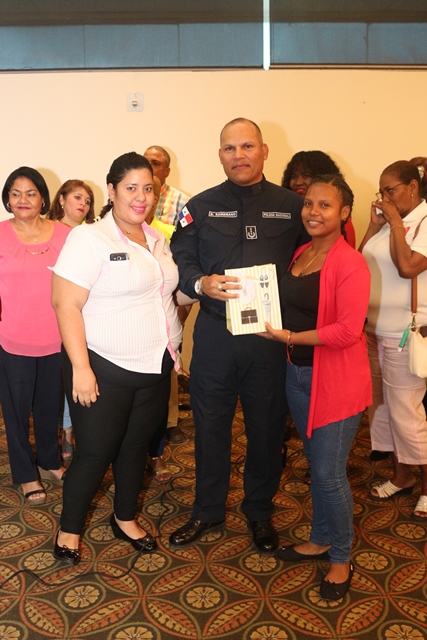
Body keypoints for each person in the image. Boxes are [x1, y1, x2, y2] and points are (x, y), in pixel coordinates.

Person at [169, 117, 305, 553]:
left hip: (269, 340)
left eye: (247, 146)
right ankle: (207, 510)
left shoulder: (292, 206)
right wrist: (200, 283)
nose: (239, 155)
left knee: (266, 429)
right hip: (216, 336)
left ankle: (259, 512)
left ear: (264, 151)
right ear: (220, 155)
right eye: (230, 148)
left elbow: (314, 259)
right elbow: (182, 258)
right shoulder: (200, 206)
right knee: (210, 427)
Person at [51, 152, 183, 566]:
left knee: (135, 448)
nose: (141, 197)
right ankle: (69, 530)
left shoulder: (157, 238)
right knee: (95, 452)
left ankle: (124, 517)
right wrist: (81, 368)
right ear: (111, 190)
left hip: (156, 365)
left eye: (148, 188)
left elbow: (165, 295)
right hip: (104, 365)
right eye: (131, 188)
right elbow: (65, 304)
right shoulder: (90, 239)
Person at [265, 175, 371, 601]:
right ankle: (322, 538)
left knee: (328, 474)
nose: (313, 212)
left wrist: (289, 337)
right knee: (316, 464)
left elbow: (347, 331)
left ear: (344, 213)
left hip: (337, 380)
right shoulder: (302, 252)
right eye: (309, 203)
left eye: (325, 205)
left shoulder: (350, 263)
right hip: (298, 374)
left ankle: (341, 557)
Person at [360, 160, 427, 521]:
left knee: (407, 412)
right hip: (374, 330)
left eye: (391, 190)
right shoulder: (388, 224)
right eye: (381, 191)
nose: (384, 197)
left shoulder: (423, 222)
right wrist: (374, 225)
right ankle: (402, 476)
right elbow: (359, 264)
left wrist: (396, 224)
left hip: (405, 331)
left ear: (412, 188)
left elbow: (408, 267)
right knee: (383, 408)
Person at [0, 167, 69, 505]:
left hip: (57, 337)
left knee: (49, 406)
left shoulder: (65, 235)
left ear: (43, 198)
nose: (23, 199)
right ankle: (26, 473)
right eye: (15, 193)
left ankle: (50, 460)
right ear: (7, 199)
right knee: (15, 411)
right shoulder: (0, 234)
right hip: (12, 338)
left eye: (30, 193)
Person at [144, 145, 190, 444]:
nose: (150, 166)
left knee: (168, 361)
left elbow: (188, 254)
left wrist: (180, 309)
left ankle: (169, 421)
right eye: (146, 161)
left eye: (156, 162)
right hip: (138, 300)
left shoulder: (182, 204)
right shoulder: (129, 197)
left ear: (167, 170)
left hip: (170, 296)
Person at [47, 179, 95, 459]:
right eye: (77, 197)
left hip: (80, 316)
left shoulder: (91, 235)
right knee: (52, 383)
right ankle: (56, 432)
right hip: (47, 314)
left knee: (74, 374)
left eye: (87, 201)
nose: (83, 204)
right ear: (61, 199)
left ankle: (68, 432)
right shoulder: (46, 231)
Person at [282, 150, 356, 248]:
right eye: (294, 176)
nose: (298, 182)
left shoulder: (340, 220)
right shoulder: (287, 214)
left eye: (306, 175)